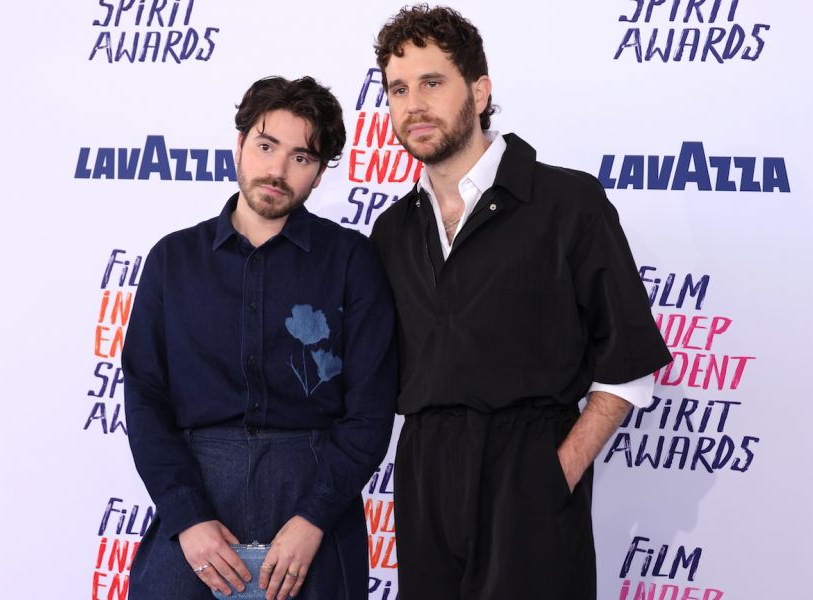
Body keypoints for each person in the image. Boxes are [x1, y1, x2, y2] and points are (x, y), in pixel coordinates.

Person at [369, 6, 673, 599]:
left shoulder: (567, 202)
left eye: (433, 83)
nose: (413, 105)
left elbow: (629, 364)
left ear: (479, 91)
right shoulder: (392, 232)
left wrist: (556, 474)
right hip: (425, 478)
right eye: (398, 89)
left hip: (528, 473)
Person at [123, 76, 397, 600]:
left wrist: (314, 517)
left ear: (319, 174)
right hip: (196, 508)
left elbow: (370, 411)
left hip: (313, 508)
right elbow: (145, 398)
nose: (277, 170)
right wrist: (188, 518)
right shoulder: (172, 261)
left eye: (302, 157)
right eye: (266, 146)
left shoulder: (352, 262)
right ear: (239, 145)